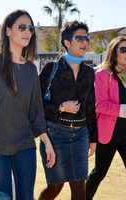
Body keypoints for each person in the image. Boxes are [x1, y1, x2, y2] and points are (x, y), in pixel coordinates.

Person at [0, 9, 55, 199]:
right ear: (8, 30)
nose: (28, 32)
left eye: (31, 28)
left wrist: (47, 142)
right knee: (3, 197)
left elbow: (36, 111)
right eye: (22, 27)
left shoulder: (31, 69)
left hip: (25, 144)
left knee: (26, 196)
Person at [38, 21, 97, 200]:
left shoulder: (89, 72)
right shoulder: (51, 69)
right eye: (79, 38)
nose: (84, 42)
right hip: (55, 134)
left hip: (81, 134)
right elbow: (37, 105)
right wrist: (61, 107)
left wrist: (93, 139)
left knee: (79, 186)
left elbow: (90, 107)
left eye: (86, 38)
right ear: (66, 42)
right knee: (55, 187)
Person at [86, 36, 126, 199]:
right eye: (123, 49)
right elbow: (100, 104)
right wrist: (123, 110)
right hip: (107, 135)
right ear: (113, 52)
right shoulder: (103, 73)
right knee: (99, 173)